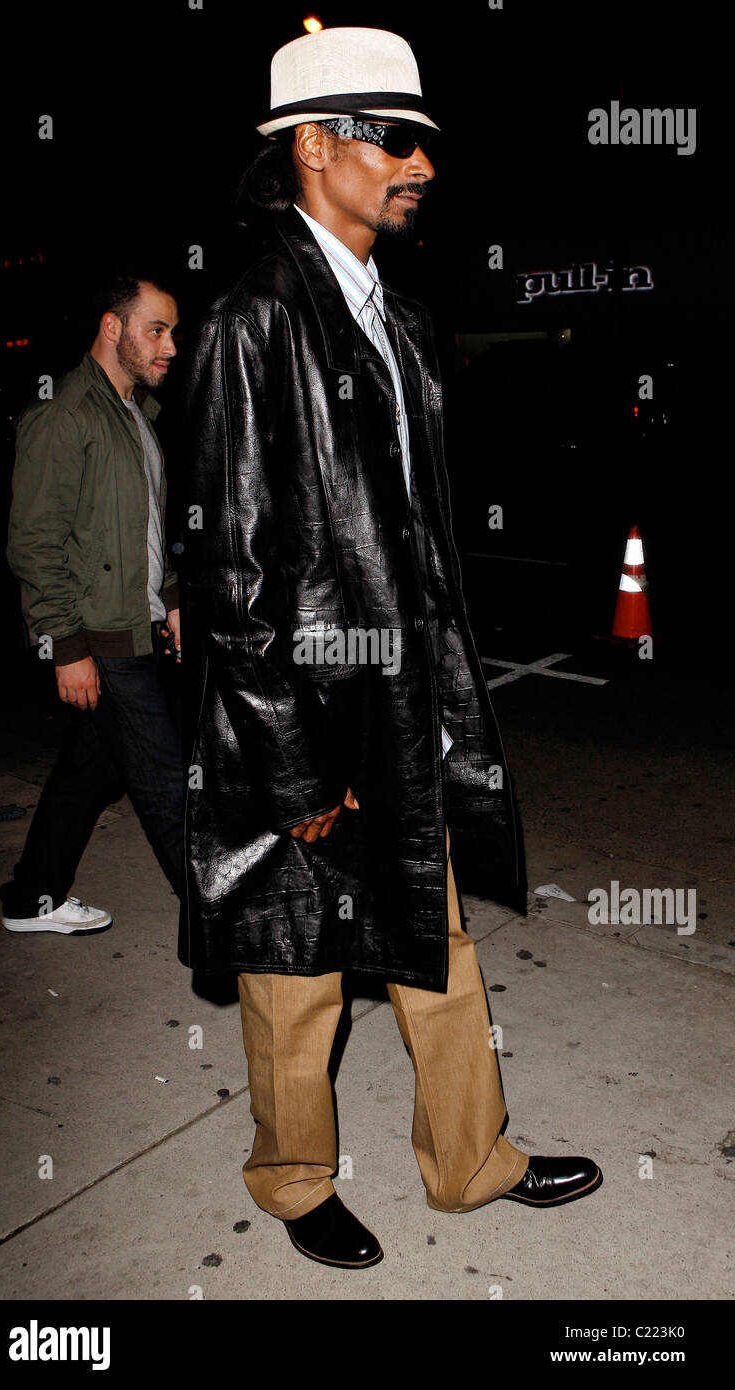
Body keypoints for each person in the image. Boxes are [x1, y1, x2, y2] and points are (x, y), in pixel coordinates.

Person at [178, 26, 602, 1269]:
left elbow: (408, 543)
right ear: (314, 148)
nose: (419, 162)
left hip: (403, 701)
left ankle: (470, 1159)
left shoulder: (402, 323)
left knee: (438, 938)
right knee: (296, 969)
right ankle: (291, 1173)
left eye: (424, 140)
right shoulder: (250, 321)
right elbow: (230, 572)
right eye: (392, 138)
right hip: (301, 713)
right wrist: (291, 767)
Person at [0, 276, 185, 934]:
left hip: (132, 624)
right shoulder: (65, 412)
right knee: (167, 782)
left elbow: (145, 531)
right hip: (100, 638)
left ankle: (32, 898)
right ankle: (226, 920)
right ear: (113, 328)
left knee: (90, 770)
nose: (170, 346)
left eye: (172, 331)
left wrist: (168, 599)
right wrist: (66, 649)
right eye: (155, 330)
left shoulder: (136, 414)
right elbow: (34, 543)